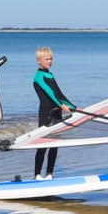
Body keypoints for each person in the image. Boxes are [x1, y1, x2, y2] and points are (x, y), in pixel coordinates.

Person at [32, 46, 77, 180]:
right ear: (39, 61)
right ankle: (37, 174)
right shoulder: (38, 76)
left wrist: (73, 106)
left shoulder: (50, 75)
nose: (50, 61)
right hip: (46, 112)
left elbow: (59, 93)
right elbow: (50, 93)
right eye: (47, 59)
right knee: (43, 143)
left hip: (57, 112)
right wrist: (62, 105)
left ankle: (50, 173)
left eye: (51, 59)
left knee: (55, 144)